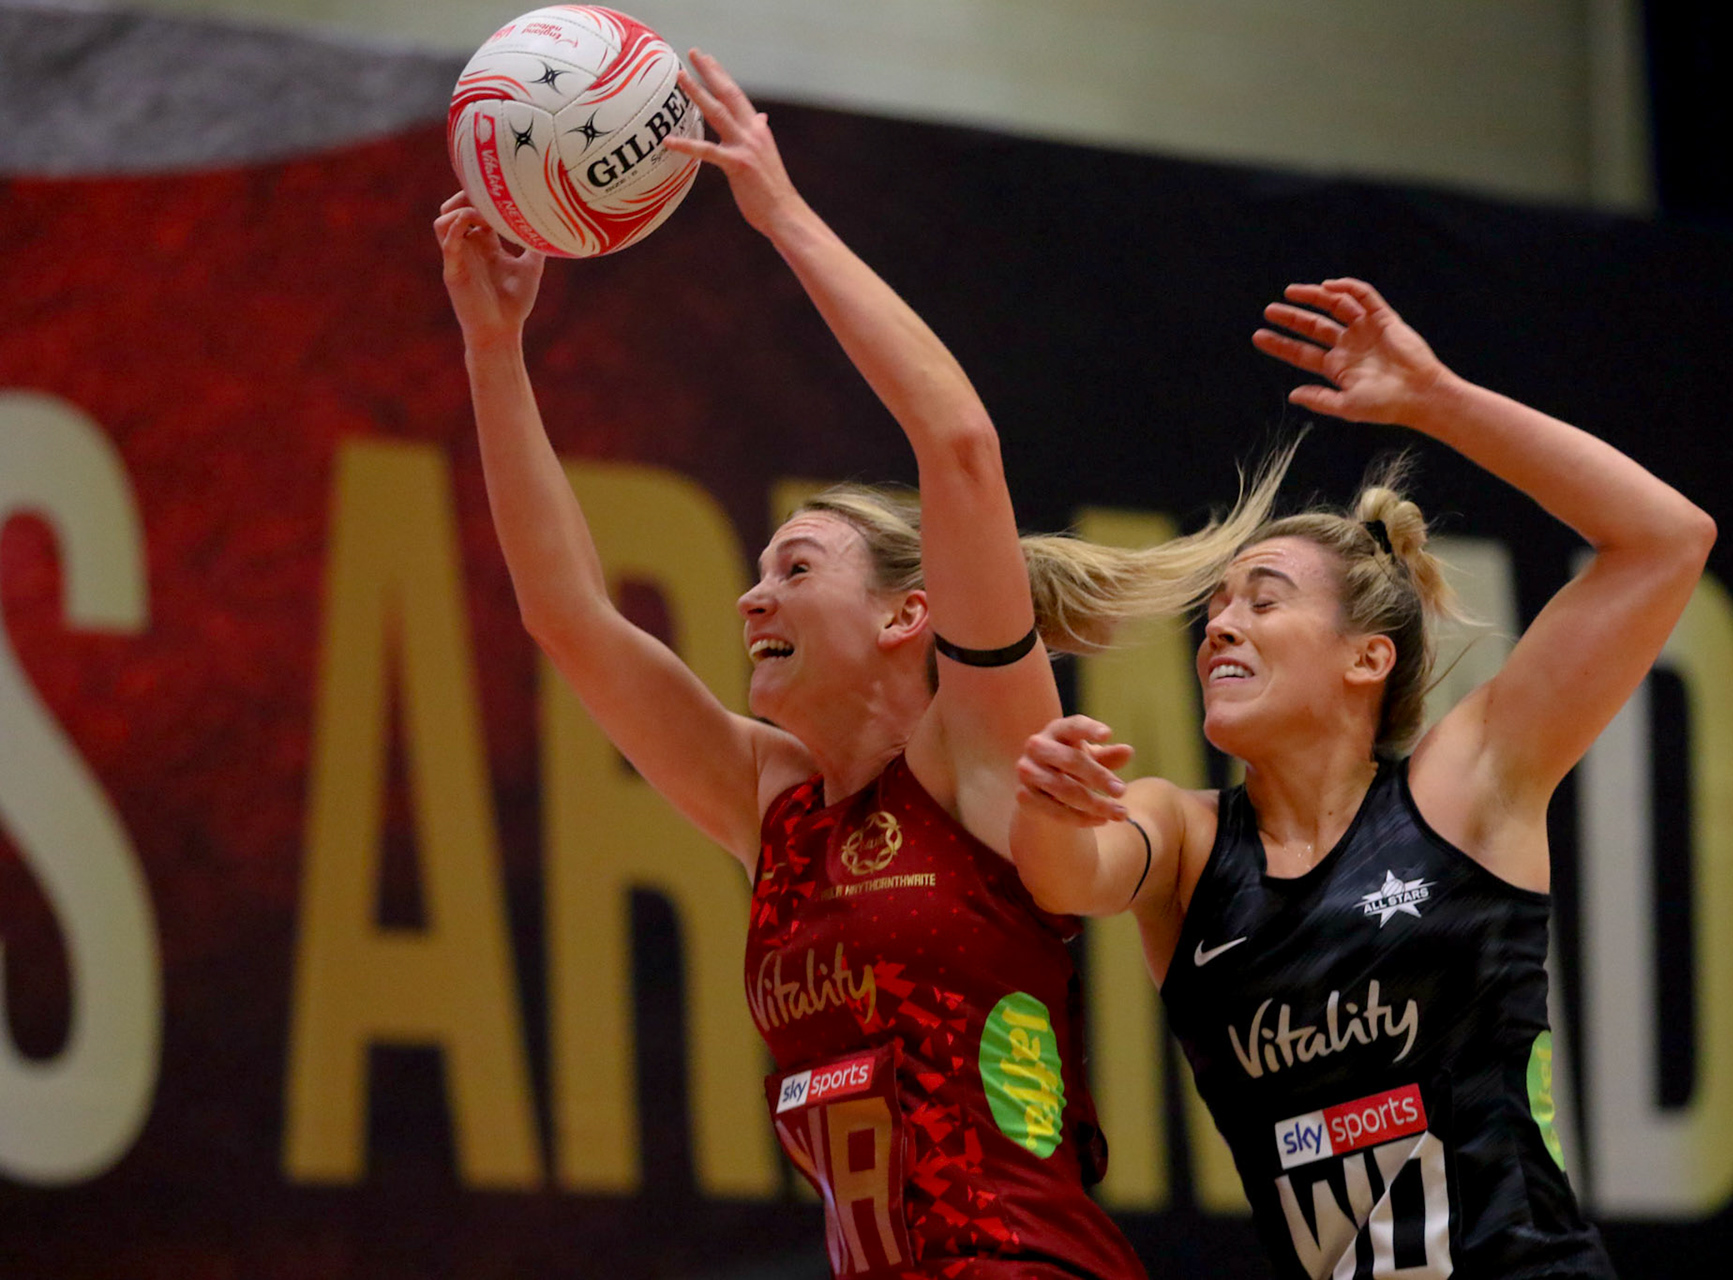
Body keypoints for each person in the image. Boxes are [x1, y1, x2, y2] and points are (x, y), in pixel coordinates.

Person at [433, 46, 1246, 1280]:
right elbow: (570, 619)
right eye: (762, 569)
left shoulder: (979, 762)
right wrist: (494, 348)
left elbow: (958, 444)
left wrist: (785, 215)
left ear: (913, 615)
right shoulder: (777, 811)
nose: (752, 591)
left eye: (798, 567)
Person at [1009, 278, 1714, 1278]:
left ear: (1366, 658)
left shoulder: (1465, 786)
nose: (1220, 625)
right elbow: (1063, 874)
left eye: (1264, 598)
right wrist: (1047, 795)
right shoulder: (1187, 837)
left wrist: (1438, 398)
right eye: (1214, 608)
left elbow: (1666, 539)